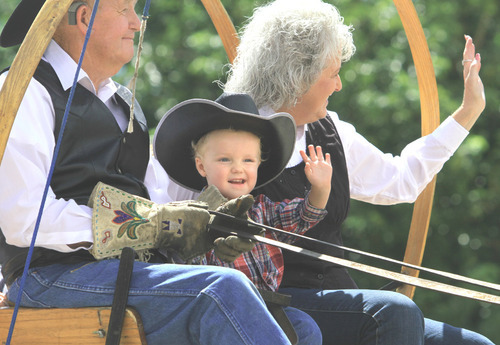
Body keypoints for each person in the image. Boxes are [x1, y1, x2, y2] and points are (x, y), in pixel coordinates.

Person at [0, 1, 300, 344]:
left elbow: (156, 205)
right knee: (222, 290)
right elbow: (23, 219)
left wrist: (206, 227)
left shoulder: (124, 103)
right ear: (83, 17)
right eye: (124, 10)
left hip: (127, 272)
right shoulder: (23, 92)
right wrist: (155, 224)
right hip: (51, 275)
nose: (136, 24)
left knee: (298, 326)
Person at [216, 0, 493, 344]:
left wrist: (468, 111)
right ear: (297, 76)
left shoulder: (330, 130)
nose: (339, 85)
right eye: (332, 74)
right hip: (270, 305)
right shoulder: (224, 136)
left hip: (339, 301)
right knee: (395, 311)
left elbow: (400, 182)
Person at [153, 93, 331, 344]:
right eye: (225, 159)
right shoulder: (190, 215)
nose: (238, 168)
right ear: (202, 166)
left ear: (259, 165)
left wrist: (320, 189)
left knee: (305, 328)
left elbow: (303, 216)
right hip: (216, 312)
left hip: (265, 307)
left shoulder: (262, 211)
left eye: (248, 160)